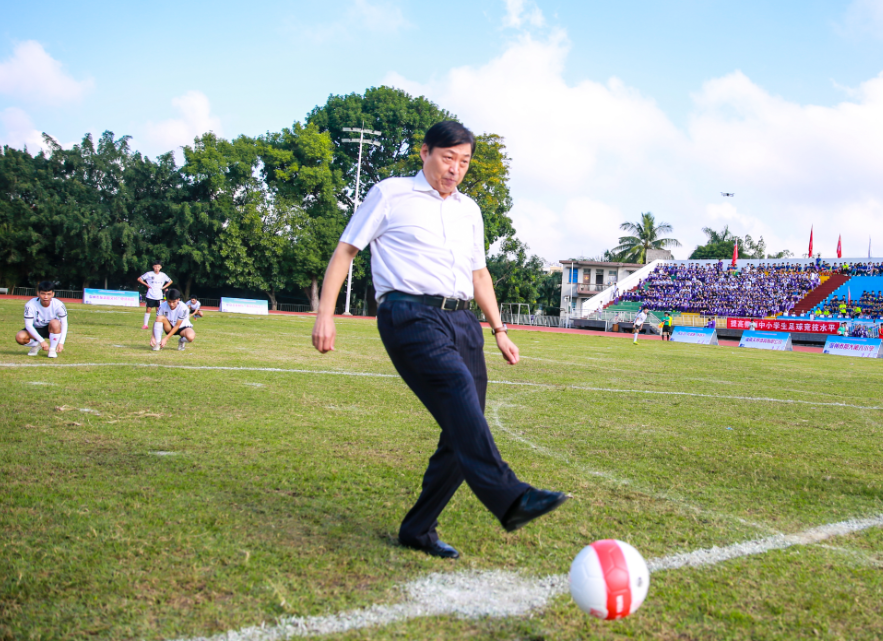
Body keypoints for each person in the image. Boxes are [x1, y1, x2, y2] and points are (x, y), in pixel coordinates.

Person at [311, 121, 567, 560]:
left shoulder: (470, 210)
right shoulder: (391, 194)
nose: (455, 169)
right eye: (448, 158)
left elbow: (479, 274)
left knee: (464, 427)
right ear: (425, 151)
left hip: (463, 321)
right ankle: (511, 498)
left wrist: (499, 330)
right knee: (457, 388)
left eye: (464, 162)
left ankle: (418, 529)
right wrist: (325, 314)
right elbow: (347, 250)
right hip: (410, 313)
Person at [15, 281, 68, 358]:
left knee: (55, 323)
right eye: (43, 293)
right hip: (35, 328)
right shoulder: (30, 305)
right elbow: (28, 325)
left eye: (49, 294)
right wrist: (41, 341)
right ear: (38, 293)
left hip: (51, 329)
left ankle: (52, 349)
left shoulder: (59, 305)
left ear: (53, 294)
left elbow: (64, 324)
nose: (46, 297)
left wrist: (61, 342)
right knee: (20, 337)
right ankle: (37, 345)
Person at [138, 261, 173, 329]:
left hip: (159, 295)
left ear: (160, 267)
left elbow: (170, 281)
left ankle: (158, 325)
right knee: (148, 309)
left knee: (158, 310)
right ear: (153, 267)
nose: (157, 268)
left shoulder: (163, 275)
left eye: (158, 267)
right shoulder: (149, 274)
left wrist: (164, 287)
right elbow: (139, 279)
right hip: (150, 294)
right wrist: (146, 285)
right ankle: (145, 325)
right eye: (155, 266)